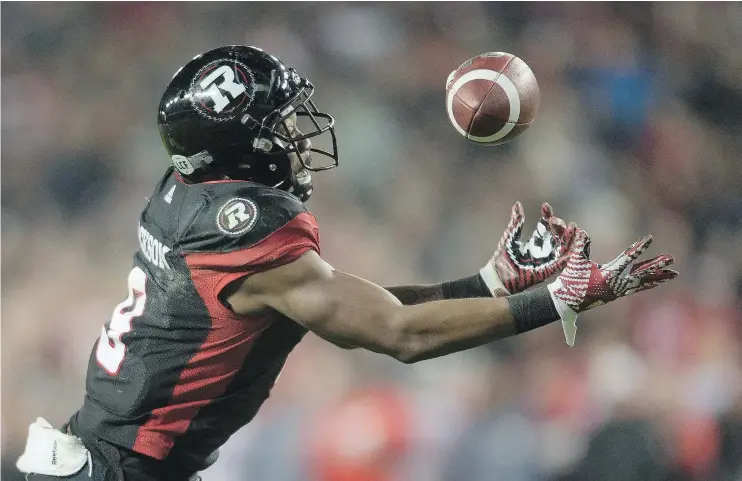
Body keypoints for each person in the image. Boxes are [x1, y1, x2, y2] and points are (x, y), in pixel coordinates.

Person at [16, 45, 677, 481]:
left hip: (99, 453)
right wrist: (558, 298)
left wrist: (483, 284)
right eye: (278, 127)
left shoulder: (189, 194)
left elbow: (356, 306)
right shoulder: (247, 232)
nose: (297, 137)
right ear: (239, 149)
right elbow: (399, 334)